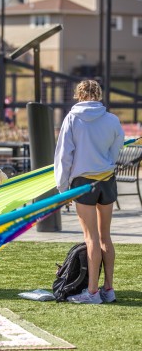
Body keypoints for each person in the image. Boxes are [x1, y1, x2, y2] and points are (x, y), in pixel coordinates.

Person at [54, 80, 124, 304]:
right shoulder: (112, 119)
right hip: (107, 180)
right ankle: (108, 289)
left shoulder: (72, 119)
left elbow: (64, 155)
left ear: (79, 95)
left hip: (83, 182)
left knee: (90, 237)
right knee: (105, 236)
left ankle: (92, 292)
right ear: (99, 94)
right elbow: (116, 149)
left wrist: (63, 189)